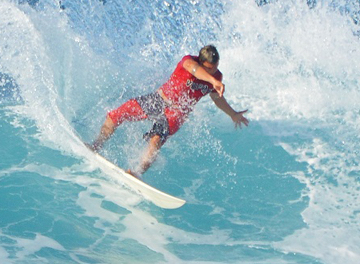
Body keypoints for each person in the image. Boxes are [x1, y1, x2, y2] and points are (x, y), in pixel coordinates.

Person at [90, 45, 249, 177]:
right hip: (159, 99)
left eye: (215, 68)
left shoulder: (216, 77)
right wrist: (213, 80)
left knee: (156, 140)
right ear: (200, 62)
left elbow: (217, 98)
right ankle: (96, 145)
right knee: (115, 116)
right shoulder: (188, 61)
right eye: (209, 69)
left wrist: (233, 114)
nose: (213, 72)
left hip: (176, 113)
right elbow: (193, 69)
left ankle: (137, 173)